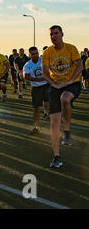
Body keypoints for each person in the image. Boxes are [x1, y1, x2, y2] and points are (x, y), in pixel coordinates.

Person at [42, 25, 83, 168]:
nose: (53, 36)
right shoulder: (47, 52)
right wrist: (54, 84)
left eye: (56, 33)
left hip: (72, 83)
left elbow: (80, 66)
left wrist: (70, 81)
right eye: (51, 34)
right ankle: (56, 156)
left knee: (65, 98)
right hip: (55, 86)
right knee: (54, 122)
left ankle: (67, 130)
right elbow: (45, 72)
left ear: (62, 34)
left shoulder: (71, 48)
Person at [24, 47, 49, 135]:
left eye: (36, 53)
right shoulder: (27, 65)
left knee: (53, 105)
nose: (35, 55)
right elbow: (26, 76)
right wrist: (36, 79)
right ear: (29, 55)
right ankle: (36, 127)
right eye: (33, 54)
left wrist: (46, 77)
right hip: (36, 88)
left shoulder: (44, 60)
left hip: (47, 85)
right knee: (37, 108)